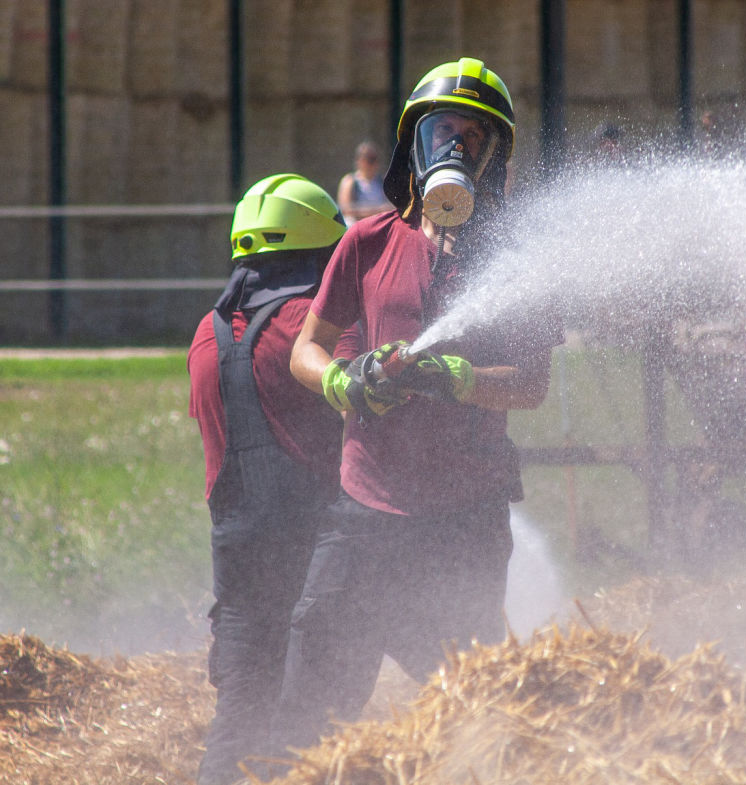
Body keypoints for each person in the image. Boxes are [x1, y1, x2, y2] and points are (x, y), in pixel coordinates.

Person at [272, 57, 563, 756]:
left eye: (475, 136)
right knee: (312, 695)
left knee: (470, 707)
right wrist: (345, 380)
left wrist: (457, 376)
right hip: (364, 509)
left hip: (464, 520)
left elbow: (530, 383)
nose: (457, 149)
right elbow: (305, 348)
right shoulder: (366, 242)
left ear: (496, 155)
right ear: (413, 146)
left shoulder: (518, 260)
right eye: (443, 132)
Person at [187, 173, 351, 785]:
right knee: (307, 725)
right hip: (314, 554)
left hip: (237, 559)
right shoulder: (311, 324)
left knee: (238, 719)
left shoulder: (205, 335)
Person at [336, 140, 391, 225]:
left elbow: (390, 207)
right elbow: (346, 209)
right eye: (369, 159)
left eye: (374, 159)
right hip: (357, 225)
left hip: (379, 223)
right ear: (359, 160)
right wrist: (376, 211)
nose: (373, 163)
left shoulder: (383, 181)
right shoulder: (350, 181)